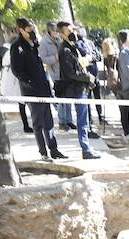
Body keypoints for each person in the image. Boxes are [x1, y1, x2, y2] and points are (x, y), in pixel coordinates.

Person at [10, 18, 63, 160]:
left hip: (44, 88)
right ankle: (43, 152)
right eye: (29, 29)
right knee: (38, 123)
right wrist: (30, 82)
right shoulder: (17, 47)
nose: (32, 32)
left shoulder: (35, 45)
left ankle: (54, 149)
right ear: (21, 30)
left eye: (33, 28)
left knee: (49, 122)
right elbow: (17, 70)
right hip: (31, 92)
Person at [54, 21, 99, 159]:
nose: (72, 32)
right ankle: (85, 149)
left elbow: (90, 57)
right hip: (76, 88)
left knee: (84, 119)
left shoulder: (74, 46)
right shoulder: (64, 50)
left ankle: (86, 148)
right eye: (68, 31)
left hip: (82, 87)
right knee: (82, 120)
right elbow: (71, 73)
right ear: (61, 34)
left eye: (72, 29)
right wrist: (88, 77)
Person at [0, 29, 31, 133]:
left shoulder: (9, 51)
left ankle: (26, 124)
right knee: (23, 103)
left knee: (23, 103)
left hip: (13, 80)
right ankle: (26, 125)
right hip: (16, 80)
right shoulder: (14, 51)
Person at [39, 21, 72, 130]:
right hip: (55, 73)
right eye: (54, 32)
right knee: (61, 98)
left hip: (64, 72)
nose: (57, 34)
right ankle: (62, 121)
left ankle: (69, 120)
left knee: (67, 97)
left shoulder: (59, 39)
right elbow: (43, 59)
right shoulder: (43, 43)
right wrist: (55, 58)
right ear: (49, 31)